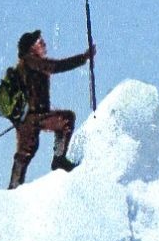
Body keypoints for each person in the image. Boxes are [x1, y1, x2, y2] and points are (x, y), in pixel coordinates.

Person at [8, 30, 95, 189]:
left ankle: (13, 187)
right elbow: (55, 66)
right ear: (31, 48)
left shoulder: (27, 63)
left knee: (25, 153)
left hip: (28, 118)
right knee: (65, 120)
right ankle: (59, 160)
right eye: (39, 42)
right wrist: (83, 58)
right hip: (34, 117)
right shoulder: (31, 61)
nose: (43, 44)